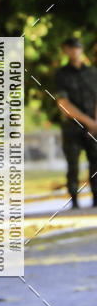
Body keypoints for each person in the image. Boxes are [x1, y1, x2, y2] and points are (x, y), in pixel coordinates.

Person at [54, 36, 97, 208]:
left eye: (76, 47)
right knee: (73, 165)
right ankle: (75, 202)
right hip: (72, 127)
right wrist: (87, 121)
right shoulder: (61, 75)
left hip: (94, 126)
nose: (74, 51)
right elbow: (63, 104)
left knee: (95, 163)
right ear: (65, 51)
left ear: (81, 49)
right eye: (70, 48)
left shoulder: (92, 73)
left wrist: (95, 123)